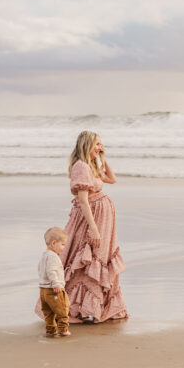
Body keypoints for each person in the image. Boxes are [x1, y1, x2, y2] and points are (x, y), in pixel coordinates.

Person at [37, 130, 127, 324]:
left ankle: (93, 307)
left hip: (102, 220)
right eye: (96, 145)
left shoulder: (91, 166)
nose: (99, 147)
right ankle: (80, 308)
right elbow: (83, 201)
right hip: (90, 219)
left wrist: (102, 157)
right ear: (86, 145)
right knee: (86, 258)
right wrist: (93, 229)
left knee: (100, 257)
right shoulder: (81, 167)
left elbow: (112, 179)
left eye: (101, 144)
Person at [38, 226, 71, 337]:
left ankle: (50, 330)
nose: (63, 247)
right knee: (62, 309)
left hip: (43, 289)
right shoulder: (53, 256)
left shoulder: (44, 255)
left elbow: (41, 270)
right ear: (53, 243)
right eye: (62, 244)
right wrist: (56, 284)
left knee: (48, 312)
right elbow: (51, 271)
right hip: (53, 289)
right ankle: (62, 330)